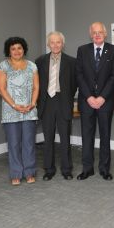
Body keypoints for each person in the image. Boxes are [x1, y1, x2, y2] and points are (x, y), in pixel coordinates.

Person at [76, 22, 114, 180]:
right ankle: (87, 169)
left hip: (105, 101)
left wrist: (101, 97)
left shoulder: (113, 50)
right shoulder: (82, 50)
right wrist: (89, 97)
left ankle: (104, 169)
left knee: (105, 135)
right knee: (87, 136)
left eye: (100, 32)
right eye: (94, 32)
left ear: (105, 33)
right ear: (90, 34)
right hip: (86, 101)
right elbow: (79, 75)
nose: (97, 34)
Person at [0, 37, 39, 185]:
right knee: (14, 144)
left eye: (19, 48)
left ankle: (29, 172)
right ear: (9, 50)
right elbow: (1, 90)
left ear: (24, 49)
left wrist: (32, 104)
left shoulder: (32, 66)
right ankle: (16, 173)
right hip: (11, 111)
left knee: (29, 143)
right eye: (13, 48)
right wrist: (15, 105)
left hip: (29, 111)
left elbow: (36, 87)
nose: (16, 51)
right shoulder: (3, 66)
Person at [35, 31, 77, 181]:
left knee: (65, 138)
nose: (55, 45)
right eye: (52, 42)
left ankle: (66, 169)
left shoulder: (72, 62)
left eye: (58, 42)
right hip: (46, 103)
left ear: (62, 44)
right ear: (48, 44)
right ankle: (49, 169)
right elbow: (37, 84)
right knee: (48, 139)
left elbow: (74, 84)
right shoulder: (39, 61)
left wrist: (66, 97)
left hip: (63, 101)